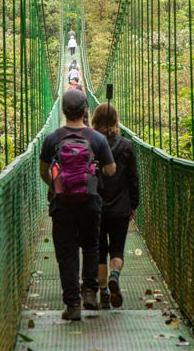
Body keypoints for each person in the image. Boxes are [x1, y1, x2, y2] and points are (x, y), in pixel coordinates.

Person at [39, 90, 116, 321]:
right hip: (90, 202)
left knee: (67, 253)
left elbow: (43, 171)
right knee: (92, 247)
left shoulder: (52, 139)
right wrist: (96, 171)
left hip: (62, 204)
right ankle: (90, 293)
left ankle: (73, 305)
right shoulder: (97, 139)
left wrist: (57, 187)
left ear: (62, 110)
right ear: (85, 110)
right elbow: (111, 170)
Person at [91, 102, 139, 309]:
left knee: (100, 250)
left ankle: (102, 291)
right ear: (116, 121)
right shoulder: (127, 146)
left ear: (95, 121)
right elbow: (133, 180)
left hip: (97, 208)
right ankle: (115, 275)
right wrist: (133, 205)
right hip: (121, 208)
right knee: (117, 249)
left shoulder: (91, 145)